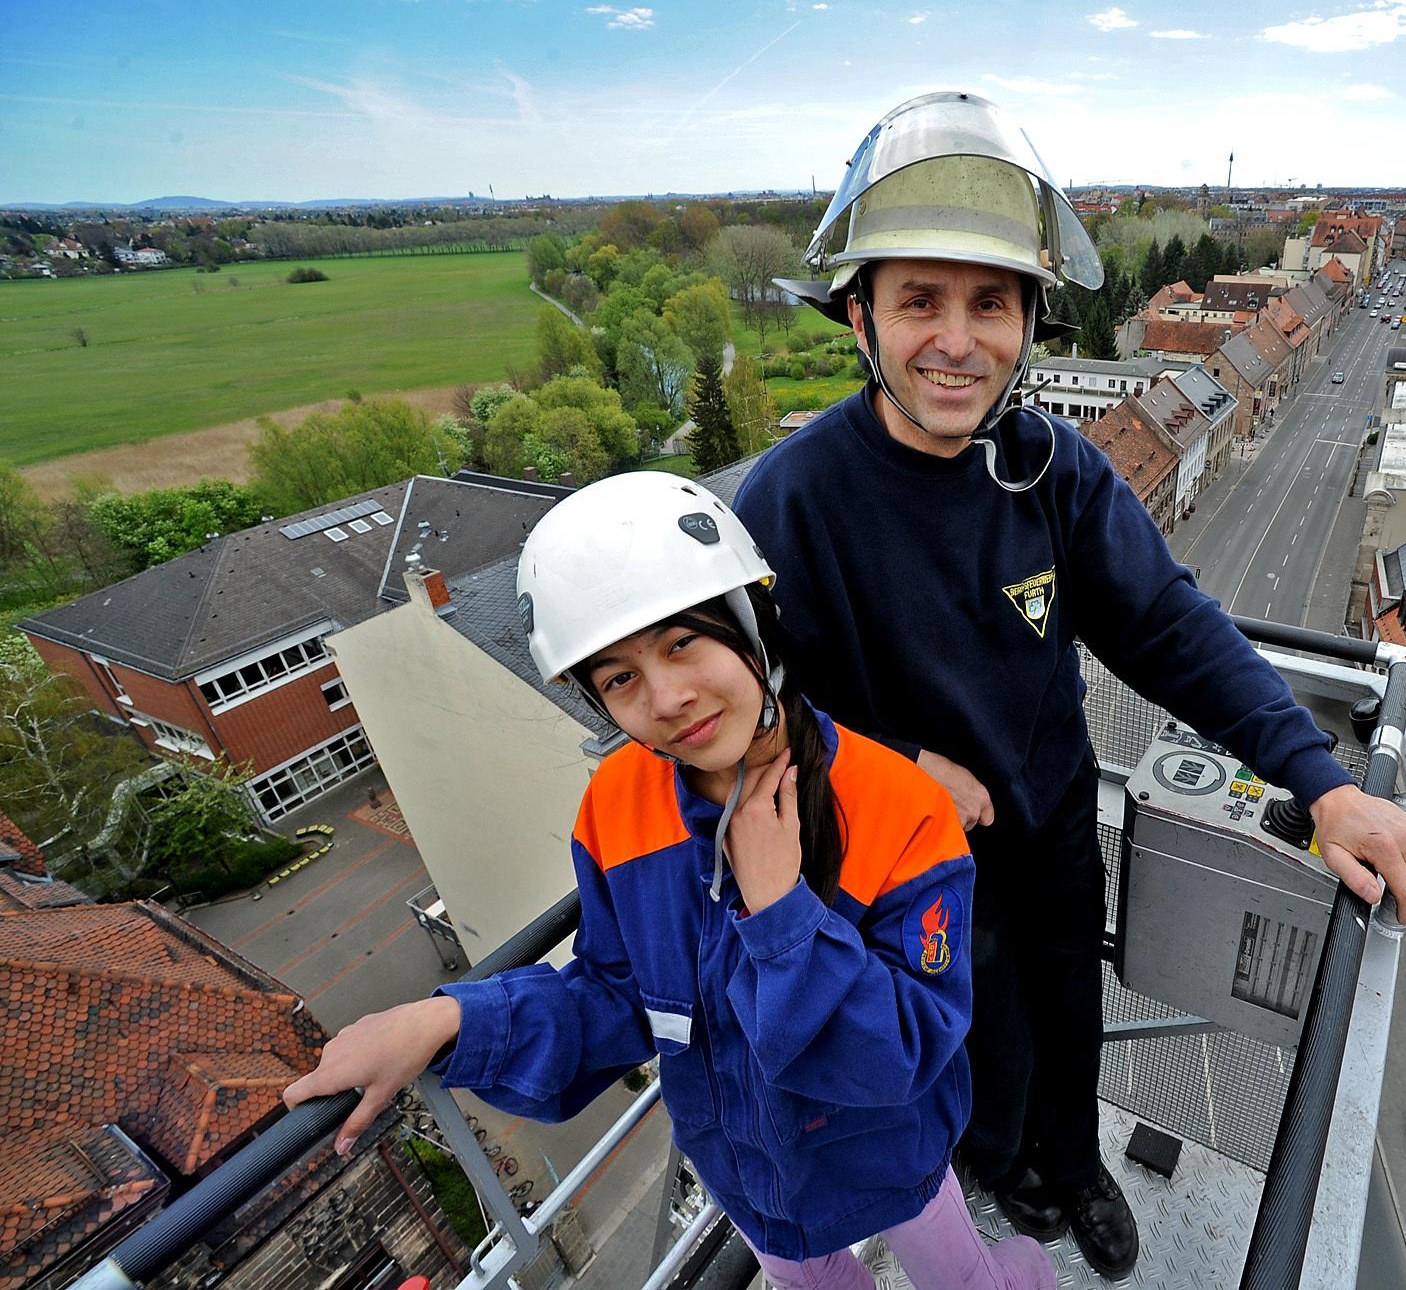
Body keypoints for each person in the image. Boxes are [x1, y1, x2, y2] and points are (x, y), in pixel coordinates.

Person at [738, 92, 1406, 1278]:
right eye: (920, 299)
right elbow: (744, 728)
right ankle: (998, 1164)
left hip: (1053, 825)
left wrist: (1320, 783)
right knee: (961, 1049)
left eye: (991, 304)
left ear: (1027, 322)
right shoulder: (790, 504)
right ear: (858, 317)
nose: (958, 339)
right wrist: (893, 769)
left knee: (1069, 1019)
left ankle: (1072, 1168)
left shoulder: (1045, 469)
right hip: (898, 866)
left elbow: (1166, 623)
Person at [282, 473, 1054, 1290]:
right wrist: (444, 1021)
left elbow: (908, 1047)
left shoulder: (899, 809)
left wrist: (783, 915)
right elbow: (616, 996)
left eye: (683, 641)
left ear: (752, 624)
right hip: (750, 1177)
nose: (668, 698)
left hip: (887, 1153)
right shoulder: (616, 808)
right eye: (618, 677)